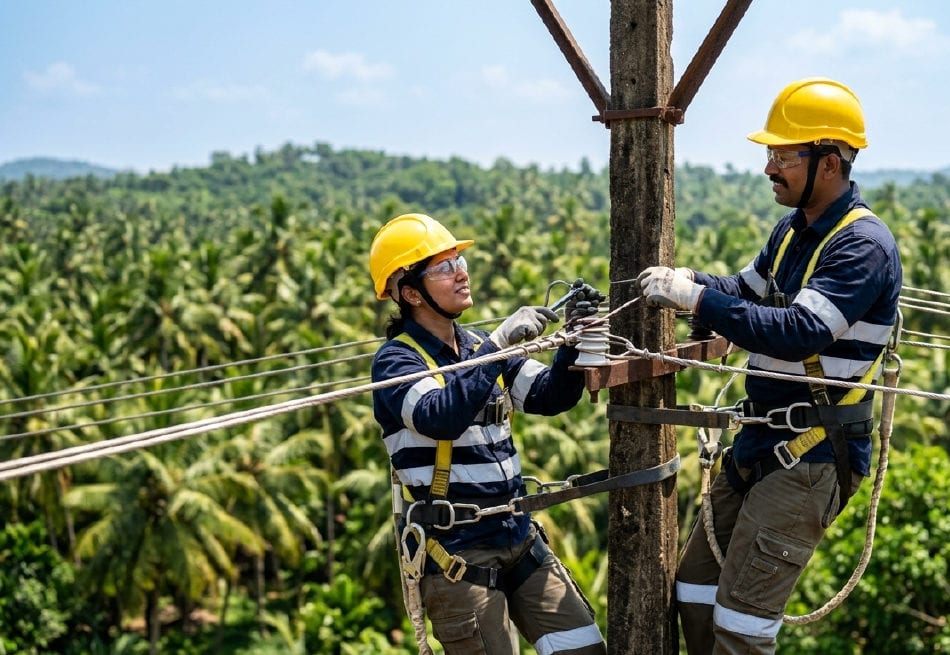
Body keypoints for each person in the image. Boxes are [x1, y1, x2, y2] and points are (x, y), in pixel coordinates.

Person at [638, 77, 902, 653]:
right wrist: (696, 283)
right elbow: (749, 291)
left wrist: (699, 302)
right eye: (771, 154)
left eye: (783, 155)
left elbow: (798, 333)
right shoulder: (793, 232)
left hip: (812, 455)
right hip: (761, 442)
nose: (769, 168)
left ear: (829, 162)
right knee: (695, 593)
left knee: (743, 626)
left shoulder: (861, 247)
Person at [369, 212, 606, 654]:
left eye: (459, 261)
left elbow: (547, 396)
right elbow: (440, 415)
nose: (461, 274)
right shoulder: (396, 363)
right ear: (409, 293)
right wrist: (498, 347)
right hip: (458, 551)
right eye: (443, 268)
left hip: (517, 535)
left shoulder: (479, 347)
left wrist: (572, 341)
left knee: (585, 647)